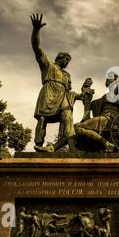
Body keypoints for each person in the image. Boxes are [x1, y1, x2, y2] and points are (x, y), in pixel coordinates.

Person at [30, 13, 82, 152]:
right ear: (61, 58)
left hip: (62, 98)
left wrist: (82, 95)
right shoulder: (48, 66)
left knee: (68, 117)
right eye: (66, 60)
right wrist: (36, 30)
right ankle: (38, 145)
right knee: (42, 119)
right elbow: (37, 48)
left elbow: (70, 92)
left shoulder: (67, 75)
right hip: (47, 95)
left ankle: (72, 147)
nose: (67, 63)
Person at [74, 71, 119, 152]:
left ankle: (107, 143)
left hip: (110, 119)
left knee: (78, 127)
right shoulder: (104, 97)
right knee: (77, 128)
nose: (107, 80)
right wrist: (86, 91)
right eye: (107, 78)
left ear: (115, 80)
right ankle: (106, 143)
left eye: (110, 78)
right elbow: (89, 105)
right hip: (103, 118)